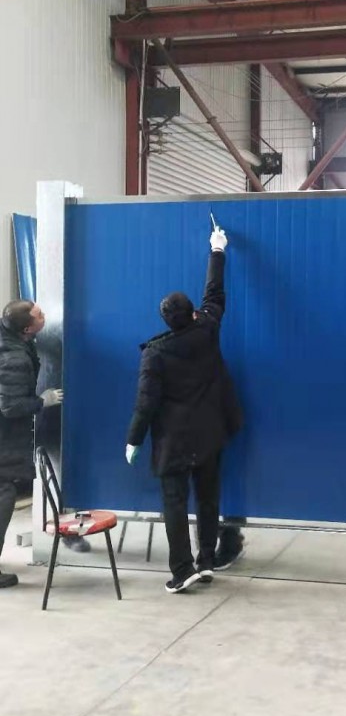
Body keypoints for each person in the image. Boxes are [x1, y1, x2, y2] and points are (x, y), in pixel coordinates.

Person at [125, 224, 243, 593]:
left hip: (173, 440)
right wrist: (217, 250)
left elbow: (146, 402)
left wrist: (134, 440)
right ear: (192, 313)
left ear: (166, 321)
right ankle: (206, 561)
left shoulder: (155, 354)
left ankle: (182, 570)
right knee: (208, 498)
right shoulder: (207, 327)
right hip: (210, 432)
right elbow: (215, 292)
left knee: (174, 502)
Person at [0, 301, 64, 589]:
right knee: (3, 496)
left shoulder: (11, 339)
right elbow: (10, 407)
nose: (44, 315)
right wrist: (41, 401)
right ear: (27, 329)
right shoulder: (13, 357)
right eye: (39, 315)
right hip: (4, 439)